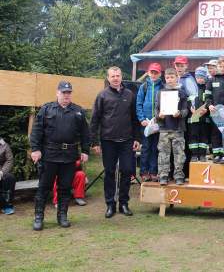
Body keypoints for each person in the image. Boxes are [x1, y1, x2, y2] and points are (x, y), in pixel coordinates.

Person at [30, 81, 90, 230]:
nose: (66, 95)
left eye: (69, 92)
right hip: (49, 154)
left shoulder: (78, 112)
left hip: (69, 156)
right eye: (64, 92)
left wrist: (85, 150)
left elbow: (85, 134)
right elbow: (37, 131)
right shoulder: (46, 109)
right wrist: (35, 149)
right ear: (57, 93)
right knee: (44, 187)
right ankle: (38, 217)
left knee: (65, 188)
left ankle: (62, 216)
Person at [90, 67, 140, 218]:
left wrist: (137, 138)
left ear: (121, 77)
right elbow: (95, 120)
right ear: (108, 78)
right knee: (110, 172)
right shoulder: (102, 95)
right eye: (113, 76)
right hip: (108, 141)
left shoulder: (129, 94)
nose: (116, 78)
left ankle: (123, 203)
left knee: (126, 171)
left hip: (126, 141)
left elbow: (135, 119)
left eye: (118, 75)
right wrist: (94, 142)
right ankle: (110, 204)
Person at [155, 68, 189, 185]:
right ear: (165, 78)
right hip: (164, 128)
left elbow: (186, 110)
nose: (170, 80)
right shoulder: (160, 92)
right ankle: (163, 175)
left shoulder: (182, 93)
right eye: (167, 78)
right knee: (163, 153)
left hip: (178, 128)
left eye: (172, 77)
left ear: (177, 77)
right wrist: (159, 116)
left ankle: (179, 175)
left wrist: (179, 113)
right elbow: (156, 109)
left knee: (179, 153)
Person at [136, 62, 163, 182]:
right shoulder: (144, 86)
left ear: (160, 74)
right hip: (146, 123)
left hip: (158, 123)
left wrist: (161, 118)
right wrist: (142, 119)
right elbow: (139, 104)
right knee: (145, 148)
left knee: (155, 148)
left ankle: (153, 172)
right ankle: (143, 172)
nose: (153, 74)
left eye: (156, 72)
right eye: (152, 72)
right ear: (148, 72)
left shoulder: (163, 86)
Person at [188, 67, 209, 162]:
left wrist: (207, 109)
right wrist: (190, 108)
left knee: (204, 136)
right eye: (198, 77)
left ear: (205, 78)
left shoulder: (208, 88)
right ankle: (194, 154)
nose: (200, 79)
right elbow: (188, 101)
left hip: (205, 118)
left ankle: (202, 154)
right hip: (194, 118)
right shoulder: (192, 88)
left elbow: (210, 101)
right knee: (193, 135)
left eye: (202, 77)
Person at [0, 138, 16, 215]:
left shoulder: (4, 145)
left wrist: (2, 172)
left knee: (10, 178)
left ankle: (7, 206)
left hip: (1, 171)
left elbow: (9, 160)